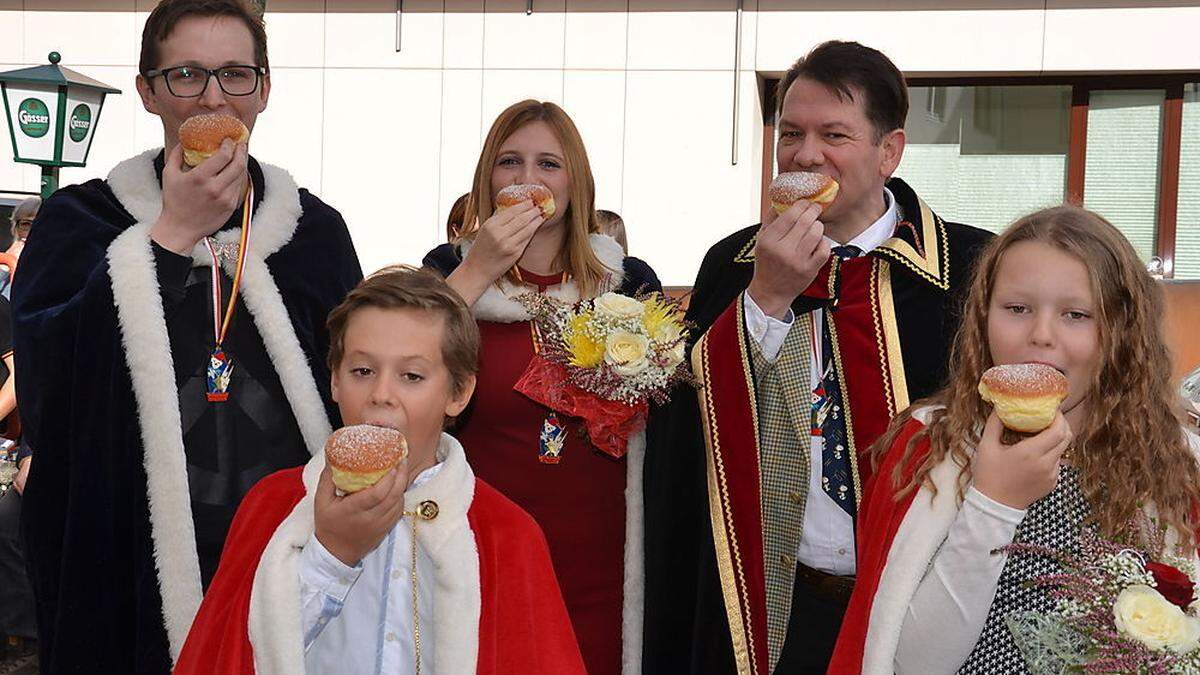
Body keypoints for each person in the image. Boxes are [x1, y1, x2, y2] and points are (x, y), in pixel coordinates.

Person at [11, 1, 362, 672]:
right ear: (147, 90)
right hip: (127, 564)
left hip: (285, 554)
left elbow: (360, 379)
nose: (213, 96)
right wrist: (169, 235)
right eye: (186, 75)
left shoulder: (314, 232)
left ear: (264, 87)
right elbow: (52, 393)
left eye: (235, 73)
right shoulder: (78, 222)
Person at [641, 40, 994, 674]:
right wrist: (766, 297)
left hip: (922, 601)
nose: (805, 155)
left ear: (889, 151)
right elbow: (690, 430)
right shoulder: (732, 263)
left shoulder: (974, 269)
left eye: (834, 134)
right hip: (779, 602)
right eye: (792, 134)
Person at [830, 205, 1200, 674]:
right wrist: (994, 501)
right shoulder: (930, 446)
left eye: (1076, 314)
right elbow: (907, 662)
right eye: (1017, 309)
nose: (1040, 335)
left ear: (1122, 331)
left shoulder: (1173, 460)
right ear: (984, 318)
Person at [173, 266, 586, 674]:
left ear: (458, 393)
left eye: (411, 376)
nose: (381, 395)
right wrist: (332, 554)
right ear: (334, 380)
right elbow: (231, 653)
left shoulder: (504, 533)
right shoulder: (273, 505)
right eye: (362, 371)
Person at [423, 99, 661, 674]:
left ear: (576, 182)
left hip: (602, 562)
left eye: (548, 164)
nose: (528, 180)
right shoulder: (443, 272)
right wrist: (479, 267)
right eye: (510, 162)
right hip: (482, 551)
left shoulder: (627, 282)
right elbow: (405, 366)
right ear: (487, 179)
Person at [0, 196, 38, 298]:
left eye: (39, 224)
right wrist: (7, 264)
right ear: (16, 228)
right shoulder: (9, 258)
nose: (32, 231)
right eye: (26, 224)